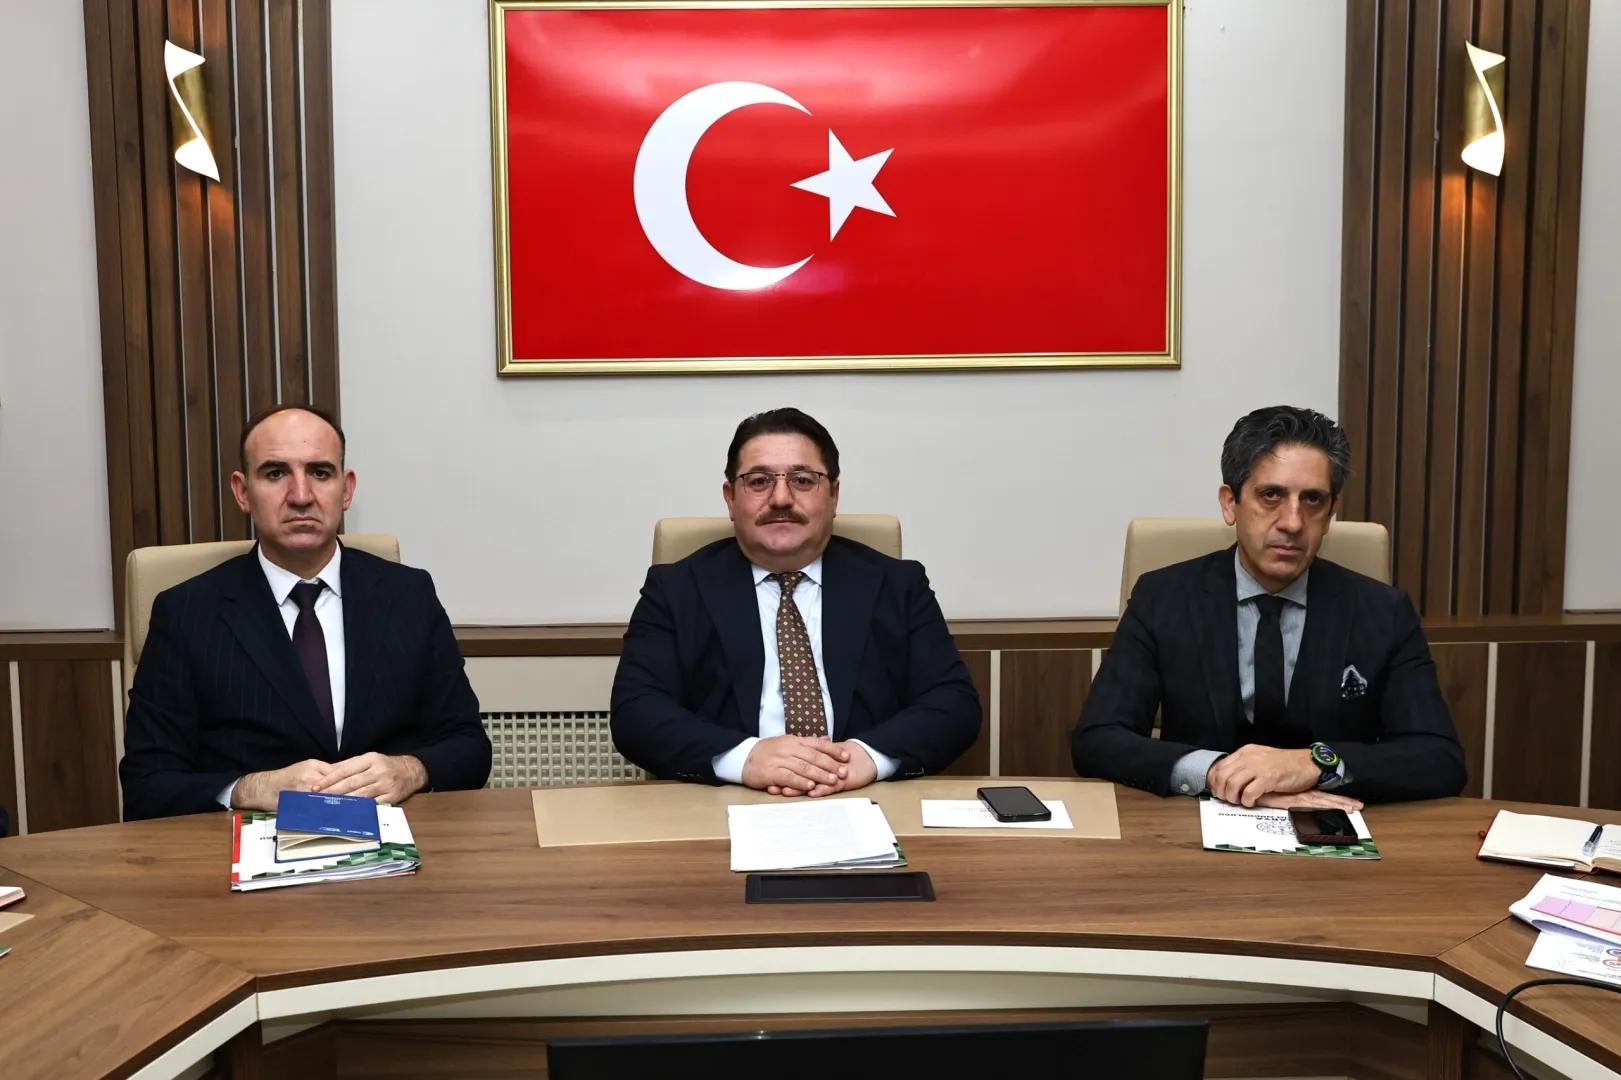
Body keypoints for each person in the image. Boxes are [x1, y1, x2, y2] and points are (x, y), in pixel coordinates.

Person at [1071, 405, 1466, 807]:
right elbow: (1097, 738)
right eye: (1271, 495)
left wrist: (1314, 763)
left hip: (1335, 822)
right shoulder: (1163, 598)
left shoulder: (1383, 611)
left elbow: (1440, 758)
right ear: (1230, 503)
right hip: (1195, 824)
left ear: (1331, 513)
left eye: (1312, 499)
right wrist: (1218, 774)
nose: (1292, 522)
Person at [119, 404, 491, 820]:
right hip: (245, 841)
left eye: (320, 472)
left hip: (392, 838)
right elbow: (146, 784)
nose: (300, 496)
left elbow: (469, 746)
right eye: (276, 473)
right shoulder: (185, 613)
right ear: (242, 492)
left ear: (346, 490)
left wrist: (409, 770)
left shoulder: (409, 596)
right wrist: (249, 788)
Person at [611, 408, 981, 795]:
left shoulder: (898, 585)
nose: (781, 498)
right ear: (731, 499)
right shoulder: (675, 589)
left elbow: (953, 704)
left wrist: (866, 758)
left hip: (865, 795)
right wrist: (745, 758)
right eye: (759, 481)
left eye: (802, 480)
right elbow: (636, 712)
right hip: (726, 798)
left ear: (833, 496)